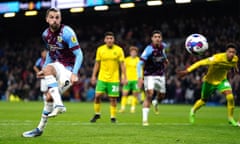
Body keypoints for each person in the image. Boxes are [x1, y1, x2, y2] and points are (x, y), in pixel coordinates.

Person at [22, 8, 83, 137]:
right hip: (58, 66)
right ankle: (39, 129)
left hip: (69, 69)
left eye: (57, 17)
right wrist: (43, 69)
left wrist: (75, 73)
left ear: (60, 19)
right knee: (49, 97)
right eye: (52, 17)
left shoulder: (67, 32)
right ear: (47, 19)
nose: (55, 20)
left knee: (49, 75)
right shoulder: (45, 35)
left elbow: (79, 54)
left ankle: (59, 105)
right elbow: (51, 52)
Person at [177, 42, 238, 126]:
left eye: (233, 52)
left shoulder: (235, 59)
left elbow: (234, 64)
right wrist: (187, 71)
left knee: (230, 97)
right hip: (209, 81)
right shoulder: (217, 58)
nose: (231, 54)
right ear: (226, 52)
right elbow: (200, 62)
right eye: (230, 52)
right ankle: (193, 110)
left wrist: (236, 69)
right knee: (203, 100)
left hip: (222, 81)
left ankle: (230, 118)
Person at [90, 31, 127, 123]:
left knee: (113, 98)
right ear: (105, 40)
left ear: (113, 40)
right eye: (108, 38)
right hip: (102, 77)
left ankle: (113, 117)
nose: (109, 40)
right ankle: (97, 114)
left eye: (111, 38)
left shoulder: (119, 50)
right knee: (97, 96)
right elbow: (97, 63)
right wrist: (93, 76)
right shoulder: (100, 49)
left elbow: (122, 64)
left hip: (114, 78)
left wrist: (124, 76)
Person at [137, 30, 169, 126]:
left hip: (160, 75)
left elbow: (163, 54)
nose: (157, 38)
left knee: (162, 95)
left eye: (159, 37)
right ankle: (145, 120)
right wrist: (139, 78)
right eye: (155, 37)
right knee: (149, 94)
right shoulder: (149, 49)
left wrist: (165, 59)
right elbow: (139, 64)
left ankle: (156, 102)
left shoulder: (163, 46)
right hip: (149, 75)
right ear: (152, 38)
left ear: (161, 38)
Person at [119, 46, 140, 113]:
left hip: (135, 80)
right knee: (124, 93)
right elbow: (123, 70)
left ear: (136, 53)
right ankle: (122, 108)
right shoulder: (126, 60)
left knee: (135, 94)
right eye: (132, 52)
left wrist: (140, 79)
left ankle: (133, 108)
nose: (133, 53)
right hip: (127, 79)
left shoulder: (139, 60)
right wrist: (123, 78)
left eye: (135, 52)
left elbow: (141, 70)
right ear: (130, 52)